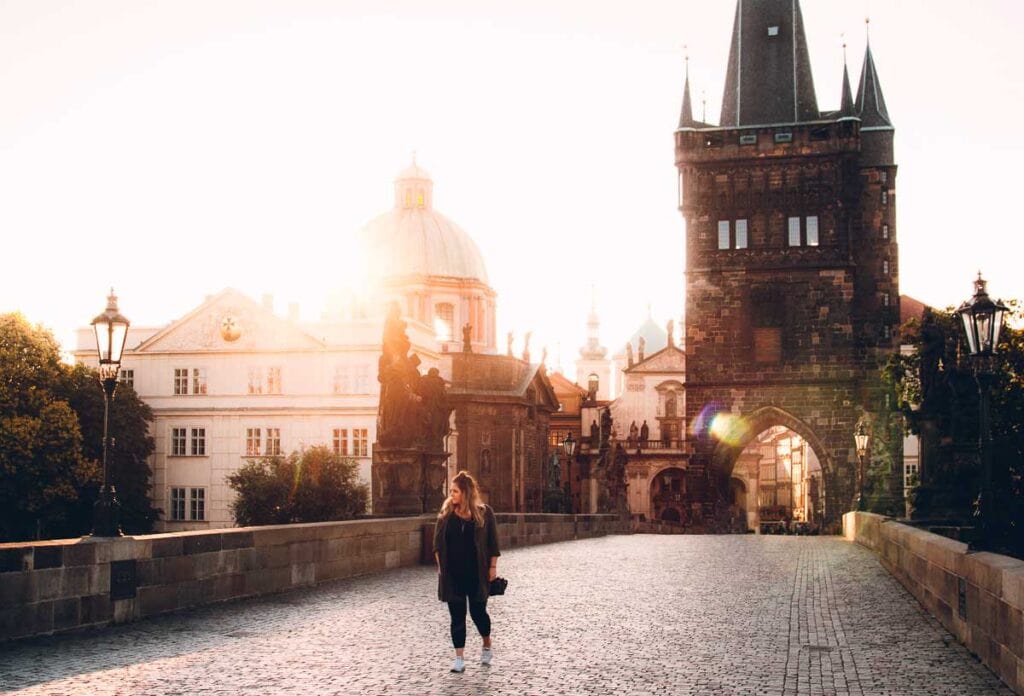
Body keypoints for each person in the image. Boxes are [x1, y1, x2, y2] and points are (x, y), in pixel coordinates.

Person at [433, 471, 501, 673]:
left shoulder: (484, 513)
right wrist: (441, 569)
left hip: (476, 574)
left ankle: (487, 644)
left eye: (455, 491)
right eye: (451, 491)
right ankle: (459, 659)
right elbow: (437, 545)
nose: (451, 494)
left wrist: (492, 568)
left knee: (478, 613)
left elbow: (493, 544)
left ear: (465, 493)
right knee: (457, 617)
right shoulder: (446, 515)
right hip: (453, 575)